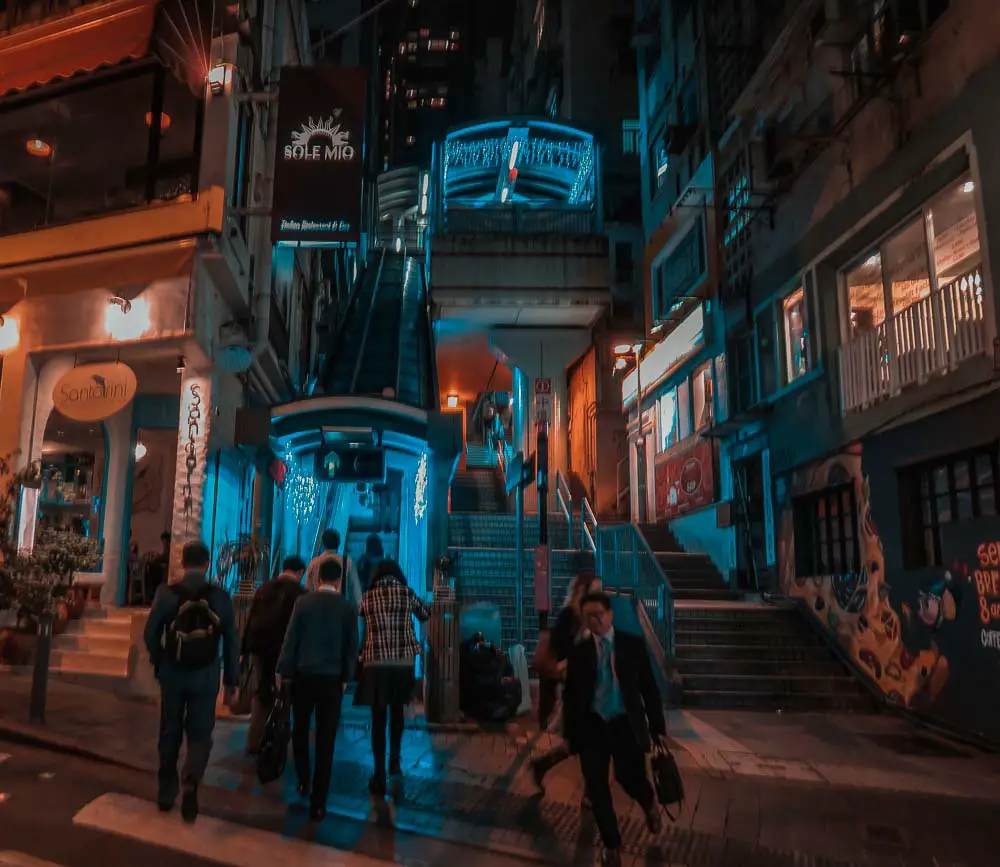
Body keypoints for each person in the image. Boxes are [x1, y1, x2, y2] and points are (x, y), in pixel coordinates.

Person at [563, 590, 665, 867]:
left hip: (624, 722)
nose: (595, 621)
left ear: (611, 614)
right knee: (596, 787)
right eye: (588, 617)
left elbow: (649, 689)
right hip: (592, 725)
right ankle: (611, 845)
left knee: (629, 778)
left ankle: (649, 804)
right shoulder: (581, 652)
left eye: (599, 615)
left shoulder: (632, 645)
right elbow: (571, 696)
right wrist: (569, 735)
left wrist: (657, 728)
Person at [143, 540, 239, 823]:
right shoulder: (220, 597)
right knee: (200, 734)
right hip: (206, 675)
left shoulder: (167, 593)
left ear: (183, 563)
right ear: (208, 563)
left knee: (169, 731)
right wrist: (231, 679)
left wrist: (160, 661)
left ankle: (165, 792)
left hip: (173, 673)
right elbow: (232, 641)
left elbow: (150, 635)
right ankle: (192, 780)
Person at [278, 557, 359, 821]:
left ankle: (303, 779)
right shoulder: (347, 608)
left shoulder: (304, 602)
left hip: (303, 675)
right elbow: (351, 646)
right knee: (326, 739)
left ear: (319, 578)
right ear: (338, 581)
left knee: (300, 729)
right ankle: (319, 802)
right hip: (332, 679)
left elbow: (291, 639)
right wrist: (347, 676)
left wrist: (284, 671)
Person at [354, 559, 429, 799]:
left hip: (375, 661)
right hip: (403, 662)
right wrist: (422, 644)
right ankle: (395, 762)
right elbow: (425, 615)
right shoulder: (407, 593)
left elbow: (360, 620)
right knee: (397, 711)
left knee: (378, 716)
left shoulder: (368, 596)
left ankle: (378, 773)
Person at [531, 571, 601, 799]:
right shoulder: (569, 618)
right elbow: (558, 654)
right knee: (591, 745)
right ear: (582, 592)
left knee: (580, 744)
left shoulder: (590, 619)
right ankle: (592, 796)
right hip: (577, 696)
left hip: (591, 694)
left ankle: (541, 766)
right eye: (596, 591)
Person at [241, 555, 307, 754]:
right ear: (300, 573)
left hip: (260, 648)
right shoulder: (301, 593)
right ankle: (277, 739)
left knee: (262, 691)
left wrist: (243, 650)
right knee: (285, 695)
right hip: (285, 651)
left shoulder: (264, 588)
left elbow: (251, 619)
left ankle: (255, 739)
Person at [306, 529, 362, 605]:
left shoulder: (314, 563)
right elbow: (355, 589)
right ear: (339, 542)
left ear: (323, 544)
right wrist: (358, 609)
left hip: (318, 607)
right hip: (340, 608)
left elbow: (308, 589)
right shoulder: (347, 562)